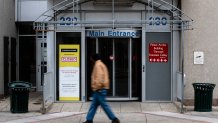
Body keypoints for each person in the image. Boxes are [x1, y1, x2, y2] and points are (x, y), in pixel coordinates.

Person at [83, 54, 120, 123]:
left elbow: (99, 77)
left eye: (91, 58)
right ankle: (89, 120)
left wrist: (97, 87)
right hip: (99, 89)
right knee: (93, 105)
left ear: (94, 59)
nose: (91, 60)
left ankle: (114, 119)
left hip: (99, 89)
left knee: (104, 106)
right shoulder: (101, 64)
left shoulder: (98, 65)